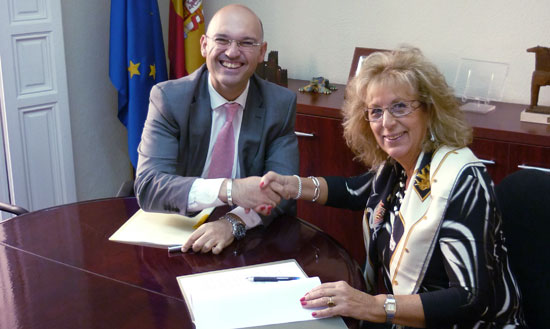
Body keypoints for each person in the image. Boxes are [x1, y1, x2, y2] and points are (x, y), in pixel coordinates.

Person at [260, 47, 526, 328]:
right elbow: (354, 191)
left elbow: (470, 298)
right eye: (376, 111)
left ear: (428, 109)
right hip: (400, 317)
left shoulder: (461, 180)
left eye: (400, 106)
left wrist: (372, 305)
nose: (386, 122)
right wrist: (293, 186)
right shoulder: (398, 168)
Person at [135, 4, 298, 255]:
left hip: (247, 239)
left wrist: (231, 223)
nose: (232, 52)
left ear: (262, 52)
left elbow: (282, 190)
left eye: (246, 43)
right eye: (222, 40)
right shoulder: (169, 99)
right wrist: (231, 190)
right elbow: (149, 185)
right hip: (178, 231)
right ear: (203, 45)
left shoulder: (280, 105)